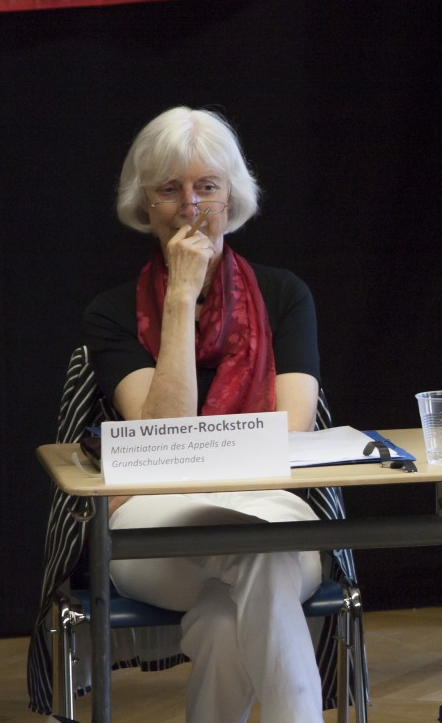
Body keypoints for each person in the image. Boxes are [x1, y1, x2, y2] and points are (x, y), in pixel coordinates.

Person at [84, 106, 326, 723]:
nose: (190, 206)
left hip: (271, 505)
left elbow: (289, 433)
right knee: (258, 554)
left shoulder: (284, 296)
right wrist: (180, 298)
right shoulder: (112, 313)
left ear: (232, 195)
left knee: (226, 618)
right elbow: (164, 438)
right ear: (146, 203)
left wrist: (215, 463)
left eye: (207, 187)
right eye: (170, 189)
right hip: (153, 533)